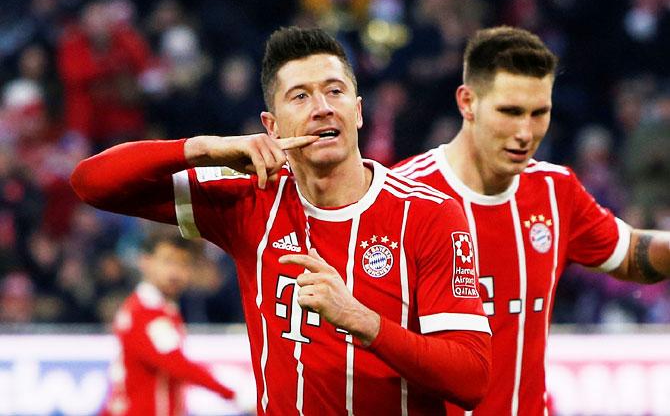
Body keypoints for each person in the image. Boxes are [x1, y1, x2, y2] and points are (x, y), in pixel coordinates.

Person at [72, 26, 492, 415]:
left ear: (359, 111)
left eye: (335, 91)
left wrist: (362, 321)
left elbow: (471, 378)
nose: (323, 108)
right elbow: (91, 183)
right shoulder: (250, 200)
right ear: (271, 127)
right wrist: (203, 148)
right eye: (300, 96)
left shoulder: (429, 214)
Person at [393, 26, 670, 415]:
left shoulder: (556, 191)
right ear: (467, 102)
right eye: (510, 112)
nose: (526, 132)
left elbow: (632, 254)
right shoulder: (400, 196)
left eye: (539, 113)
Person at [100, 231, 235, 416]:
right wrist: (232, 394)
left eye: (183, 264)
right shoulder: (144, 312)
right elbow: (176, 364)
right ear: (145, 262)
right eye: (168, 261)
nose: (175, 272)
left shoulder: (162, 309)